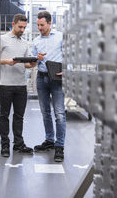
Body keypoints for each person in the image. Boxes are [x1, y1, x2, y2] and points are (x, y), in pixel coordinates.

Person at [0, 13, 37, 157]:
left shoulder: (24, 43)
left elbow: (26, 64)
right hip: (5, 84)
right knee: (4, 116)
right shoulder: (2, 39)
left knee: (19, 116)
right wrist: (6, 61)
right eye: (20, 27)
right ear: (13, 24)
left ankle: (18, 144)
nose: (22, 30)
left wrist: (31, 64)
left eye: (24, 27)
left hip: (21, 85)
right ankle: (5, 145)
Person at [32, 11, 66, 162]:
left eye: (42, 25)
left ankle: (59, 146)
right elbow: (32, 63)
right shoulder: (36, 41)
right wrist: (35, 59)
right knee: (45, 112)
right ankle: (49, 140)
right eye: (38, 25)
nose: (39, 27)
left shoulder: (60, 37)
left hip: (57, 79)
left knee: (59, 114)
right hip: (41, 78)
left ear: (49, 23)